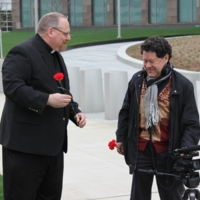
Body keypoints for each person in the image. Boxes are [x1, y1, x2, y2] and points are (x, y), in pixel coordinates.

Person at [0, 12, 86, 200]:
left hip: (53, 149)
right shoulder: (22, 52)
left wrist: (75, 112)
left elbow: (62, 92)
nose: (69, 38)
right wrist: (46, 100)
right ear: (51, 31)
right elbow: (13, 88)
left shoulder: (56, 56)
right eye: (66, 33)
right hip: (25, 148)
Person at [115, 36, 200, 200]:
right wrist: (121, 138)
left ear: (166, 58)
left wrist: (185, 151)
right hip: (141, 152)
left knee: (172, 196)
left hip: (169, 153)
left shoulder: (182, 86)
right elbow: (125, 112)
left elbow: (191, 124)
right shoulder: (137, 81)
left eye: (152, 61)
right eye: (144, 61)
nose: (147, 66)